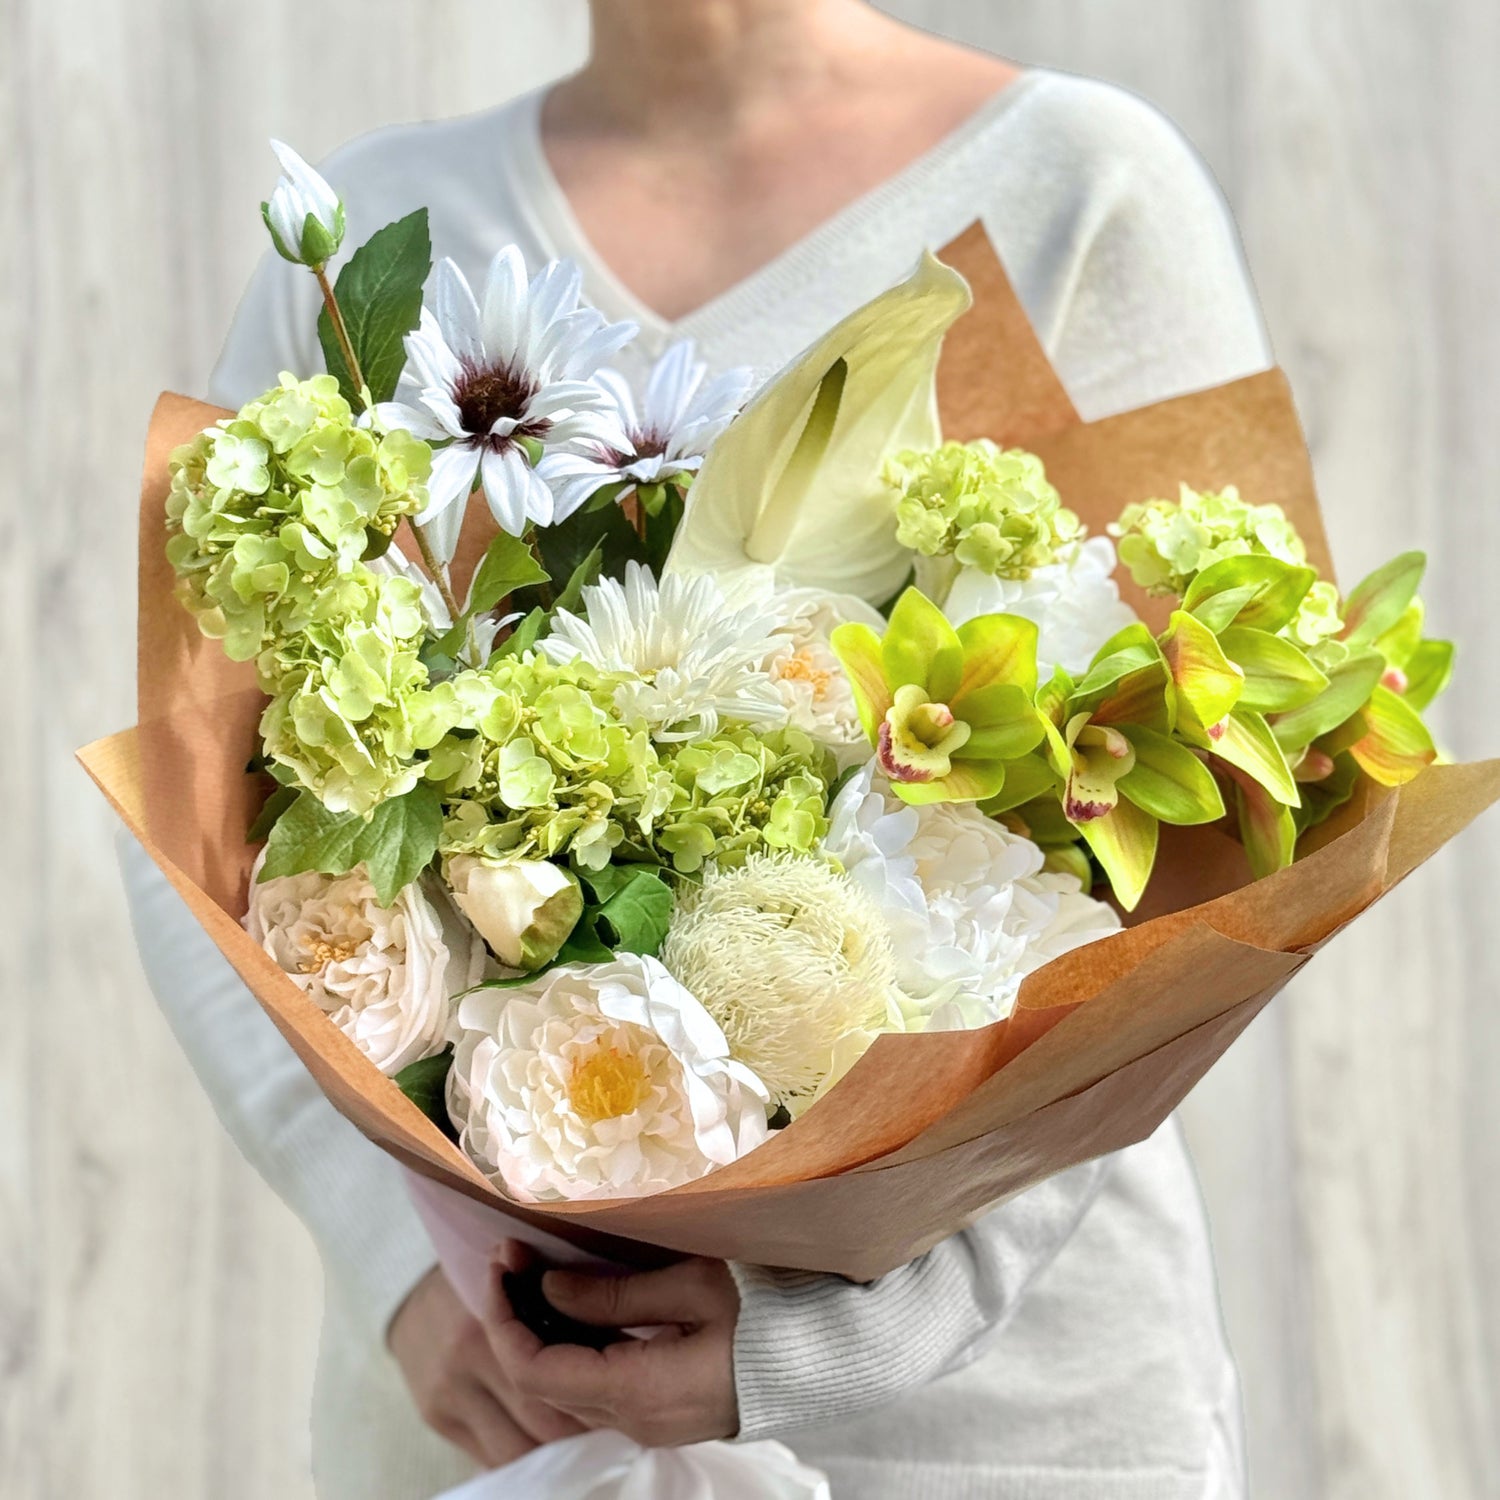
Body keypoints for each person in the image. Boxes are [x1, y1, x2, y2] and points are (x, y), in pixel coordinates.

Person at [123, 2, 1270, 1495]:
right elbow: (193, 816)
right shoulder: (364, 257)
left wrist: (813, 1337)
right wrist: (398, 1268)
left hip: (1002, 1416)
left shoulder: (1085, 183)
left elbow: (1218, 858)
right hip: (500, 1397)